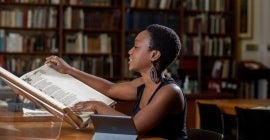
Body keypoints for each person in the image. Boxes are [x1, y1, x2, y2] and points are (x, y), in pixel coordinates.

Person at [45, 24, 187, 140]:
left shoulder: (169, 91)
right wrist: (69, 70)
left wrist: (97, 105)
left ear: (154, 55)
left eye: (136, 47)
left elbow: (134, 127)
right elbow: (109, 89)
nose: (130, 51)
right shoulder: (142, 83)